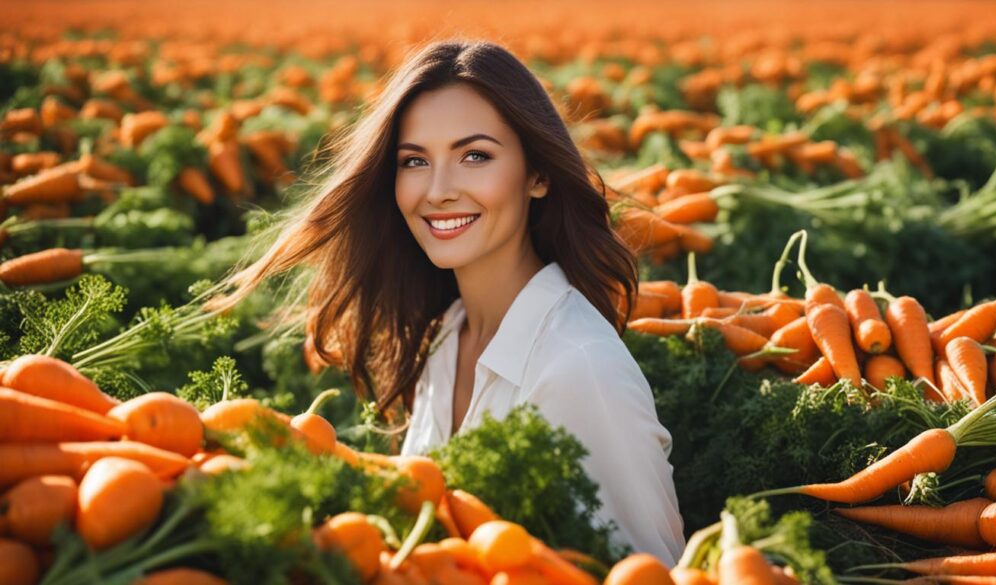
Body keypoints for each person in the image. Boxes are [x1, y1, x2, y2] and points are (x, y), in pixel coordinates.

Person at [204, 38, 685, 565]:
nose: (437, 190)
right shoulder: (445, 338)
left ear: (538, 175)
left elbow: (647, 572)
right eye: (414, 161)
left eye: (474, 156)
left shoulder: (578, 369)